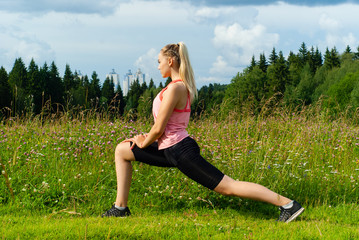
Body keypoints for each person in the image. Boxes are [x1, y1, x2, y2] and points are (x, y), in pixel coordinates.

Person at [101, 42, 304, 222]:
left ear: (171, 61)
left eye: (159, 61)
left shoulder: (176, 88)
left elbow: (159, 128)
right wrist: (143, 140)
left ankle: (287, 205)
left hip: (180, 151)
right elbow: (164, 128)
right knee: (122, 150)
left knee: (228, 188)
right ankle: (120, 208)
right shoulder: (173, 87)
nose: (158, 66)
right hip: (168, 149)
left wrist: (144, 141)